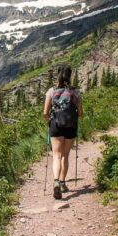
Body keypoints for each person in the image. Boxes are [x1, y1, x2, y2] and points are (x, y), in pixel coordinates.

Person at [43, 65, 83, 199]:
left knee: (56, 155)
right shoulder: (75, 92)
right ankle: (62, 183)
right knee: (65, 155)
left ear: (58, 75)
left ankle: (55, 181)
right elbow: (81, 113)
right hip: (70, 126)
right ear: (70, 76)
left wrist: (49, 122)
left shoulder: (51, 91)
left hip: (55, 125)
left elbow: (45, 112)